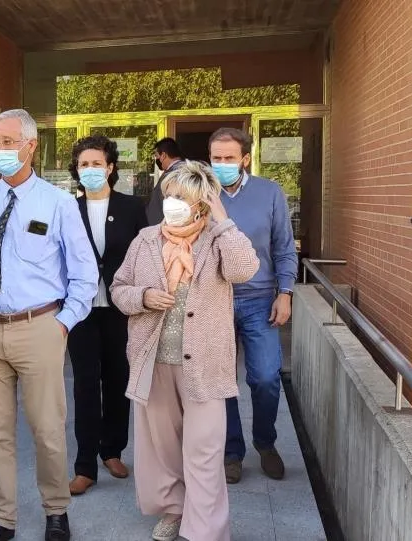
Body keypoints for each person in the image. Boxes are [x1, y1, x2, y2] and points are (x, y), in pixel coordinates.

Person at [0, 109, 98, 541]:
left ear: (31, 146)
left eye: (8, 141)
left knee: (48, 429)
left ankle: (56, 510)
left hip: (39, 328)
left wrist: (63, 324)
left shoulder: (59, 204)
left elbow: (85, 275)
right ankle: (2, 518)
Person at [110, 161, 259, 541]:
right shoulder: (145, 240)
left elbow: (245, 269)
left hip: (205, 364)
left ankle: (204, 529)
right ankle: (173, 511)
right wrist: (143, 297)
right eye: (170, 195)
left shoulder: (217, 239)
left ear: (202, 204)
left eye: (183, 197)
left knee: (205, 451)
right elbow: (118, 289)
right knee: (161, 448)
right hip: (153, 359)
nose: (172, 202)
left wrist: (224, 221)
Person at [209, 127, 298, 485]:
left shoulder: (269, 193)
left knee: (264, 378)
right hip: (215, 298)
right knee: (221, 381)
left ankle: (265, 442)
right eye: (216, 158)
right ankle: (232, 451)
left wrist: (286, 292)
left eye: (229, 158)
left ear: (245, 159)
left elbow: (284, 247)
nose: (222, 164)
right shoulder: (202, 192)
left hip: (260, 299)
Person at [65, 135, 148, 496]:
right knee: (85, 385)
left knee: (117, 381)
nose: (91, 170)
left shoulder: (132, 207)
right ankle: (84, 465)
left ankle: (112, 450)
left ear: (111, 167)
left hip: (120, 310)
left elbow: (145, 256)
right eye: (84, 164)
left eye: (97, 163)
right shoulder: (67, 209)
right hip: (81, 311)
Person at [146, 137, 184, 224]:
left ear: (163, 155)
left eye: (156, 156)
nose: (156, 160)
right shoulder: (172, 171)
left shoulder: (178, 173)